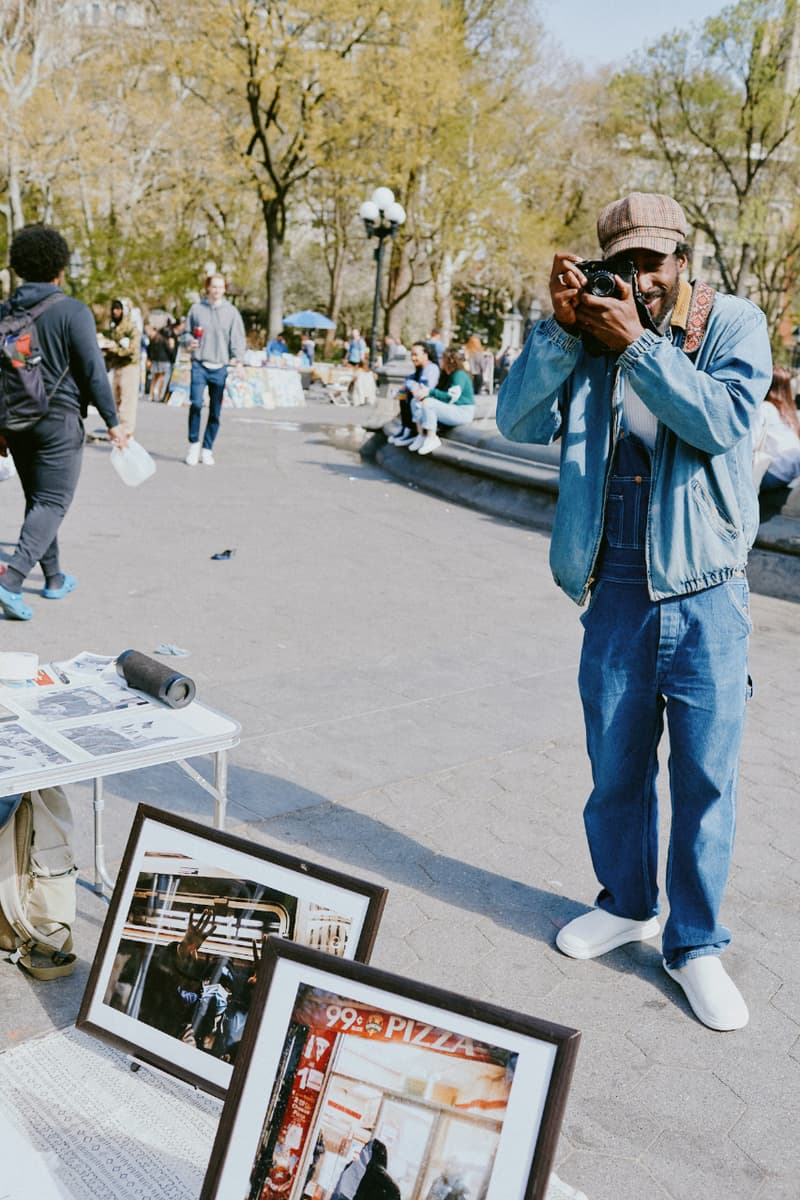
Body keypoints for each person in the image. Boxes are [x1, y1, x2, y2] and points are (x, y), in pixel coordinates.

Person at [496, 192, 772, 1032]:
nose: (643, 281)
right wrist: (557, 329)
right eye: (627, 266)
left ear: (683, 260)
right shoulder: (587, 334)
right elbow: (516, 421)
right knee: (614, 768)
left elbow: (722, 423)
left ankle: (694, 945)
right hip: (614, 585)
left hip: (707, 586)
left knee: (704, 778)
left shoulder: (734, 326)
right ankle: (625, 903)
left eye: (656, 263)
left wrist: (641, 349)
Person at [0, 224, 127, 621]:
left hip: (15, 421)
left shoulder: (5, 311)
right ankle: (11, 580)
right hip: (59, 422)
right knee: (52, 501)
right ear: (60, 268)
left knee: (39, 500)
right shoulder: (72, 311)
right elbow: (92, 371)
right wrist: (114, 421)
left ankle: (54, 578)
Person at [184, 273, 246, 466]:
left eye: (221, 287)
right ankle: (194, 444)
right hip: (200, 363)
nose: (217, 290)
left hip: (220, 366)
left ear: (224, 290)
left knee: (215, 411)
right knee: (195, 403)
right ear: (208, 288)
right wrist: (188, 341)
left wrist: (239, 360)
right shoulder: (196, 309)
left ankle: (207, 448)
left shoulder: (231, 312)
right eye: (214, 286)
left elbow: (237, 338)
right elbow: (186, 332)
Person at [409, 346, 475, 454]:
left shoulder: (459, 375)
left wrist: (429, 392)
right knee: (415, 401)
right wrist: (424, 392)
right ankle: (421, 435)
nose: (440, 361)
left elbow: (451, 397)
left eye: (442, 358)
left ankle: (432, 437)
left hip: (463, 411)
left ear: (450, 360)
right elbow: (440, 394)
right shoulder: (447, 375)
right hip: (453, 409)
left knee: (428, 403)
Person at [754, 365, 800, 491]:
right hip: (791, 473)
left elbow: (752, 442)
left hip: (774, 473)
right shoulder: (790, 411)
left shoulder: (765, 408)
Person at [101, 297, 141, 436]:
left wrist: (114, 349)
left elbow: (132, 348)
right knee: (116, 400)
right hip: (117, 366)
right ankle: (118, 429)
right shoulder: (114, 327)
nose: (115, 311)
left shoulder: (130, 326)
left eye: (118, 309)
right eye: (113, 309)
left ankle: (127, 432)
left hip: (129, 366)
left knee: (127, 402)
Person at [387, 342, 440, 446]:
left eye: (415, 355)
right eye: (412, 355)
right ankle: (405, 427)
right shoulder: (419, 369)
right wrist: (402, 389)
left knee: (408, 393)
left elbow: (423, 389)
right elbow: (410, 382)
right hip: (418, 401)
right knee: (402, 394)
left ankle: (411, 429)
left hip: (427, 403)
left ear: (426, 355)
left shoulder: (431, 369)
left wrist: (407, 385)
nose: (413, 358)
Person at [146, 321, 176, 404]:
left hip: (155, 360)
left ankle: (151, 395)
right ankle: (159, 395)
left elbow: (149, 350)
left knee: (154, 378)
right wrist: (172, 347)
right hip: (164, 360)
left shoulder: (153, 339)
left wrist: (150, 359)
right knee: (162, 378)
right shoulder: (163, 340)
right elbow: (169, 351)